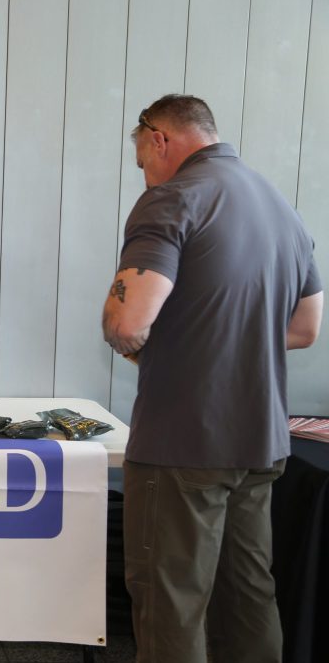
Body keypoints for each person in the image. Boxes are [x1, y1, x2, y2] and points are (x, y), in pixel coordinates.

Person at [102, 94, 323, 663]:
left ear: (159, 138)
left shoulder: (173, 199)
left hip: (183, 443)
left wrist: (130, 334)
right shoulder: (281, 208)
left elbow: (128, 322)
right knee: (246, 598)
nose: (145, 176)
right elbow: (305, 329)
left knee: (171, 602)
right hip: (261, 441)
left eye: (143, 161)